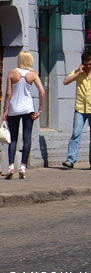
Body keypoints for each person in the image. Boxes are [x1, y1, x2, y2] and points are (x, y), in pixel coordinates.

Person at [62, 51, 91, 170]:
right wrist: (78, 73)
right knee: (76, 133)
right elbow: (65, 81)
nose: (88, 66)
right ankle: (70, 159)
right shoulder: (79, 72)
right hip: (80, 109)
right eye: (86, 64)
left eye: (90, 63)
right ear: (82, 63)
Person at [3, 51, 45, 179]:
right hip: (28, 109)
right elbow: (42, 92)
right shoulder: (32, 74)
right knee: (27, 137)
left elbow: (8, 94)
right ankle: (23, 166)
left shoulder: (12, 73)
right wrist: (39, 110)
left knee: (13, 138)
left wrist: (5, 111)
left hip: (14, 109)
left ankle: (11, 166)